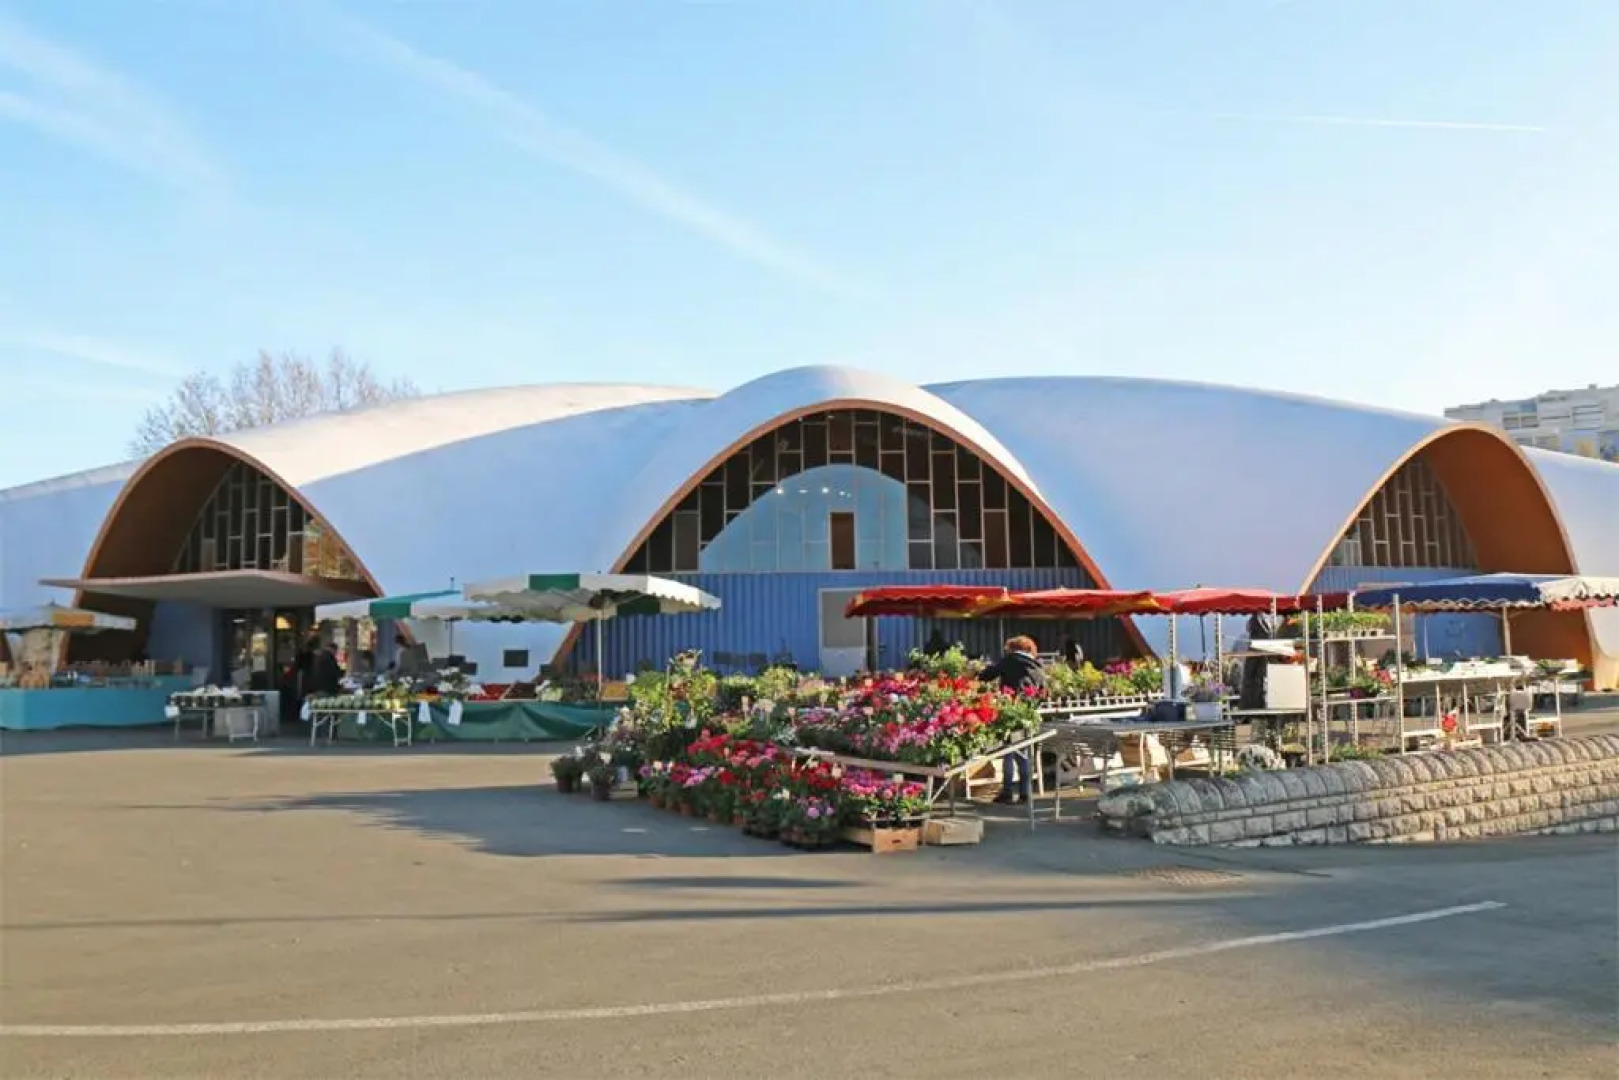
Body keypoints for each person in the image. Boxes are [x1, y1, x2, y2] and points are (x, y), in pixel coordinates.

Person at [979, 635, 1046, 804]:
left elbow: (987, 675)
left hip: (1010, 711)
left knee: (1008, 752)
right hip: (1029, 714)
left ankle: (1007, 791)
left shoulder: (1010, 660)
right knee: (1024, 753)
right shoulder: (1038, 666)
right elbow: (1044, 691)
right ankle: (1026, 792)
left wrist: (979, 672)